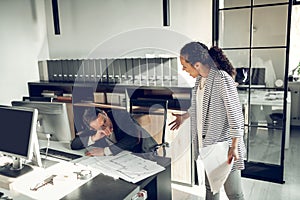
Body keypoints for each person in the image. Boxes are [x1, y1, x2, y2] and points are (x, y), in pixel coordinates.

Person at [169, 42, 246, 200]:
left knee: (235, 194)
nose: (183, 69)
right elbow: (199, 107)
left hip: (225, 148)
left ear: (197, 64)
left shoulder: (221, 79)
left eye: (185, 65)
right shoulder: (199, 81)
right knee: (211, 190)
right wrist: (184, 117)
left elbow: (236, 115)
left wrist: (234, 146)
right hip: (209, 147)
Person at [71, 108, 157, 156]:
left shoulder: (120, 115)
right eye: (101, 127)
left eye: (105, 121)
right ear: (92, 129)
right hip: (123, 157)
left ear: (105, 113)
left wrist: (106, 151)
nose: (107, 126)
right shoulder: (93, 128)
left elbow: (133, 138)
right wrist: (94, 138)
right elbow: (74, 145)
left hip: (145, 151)